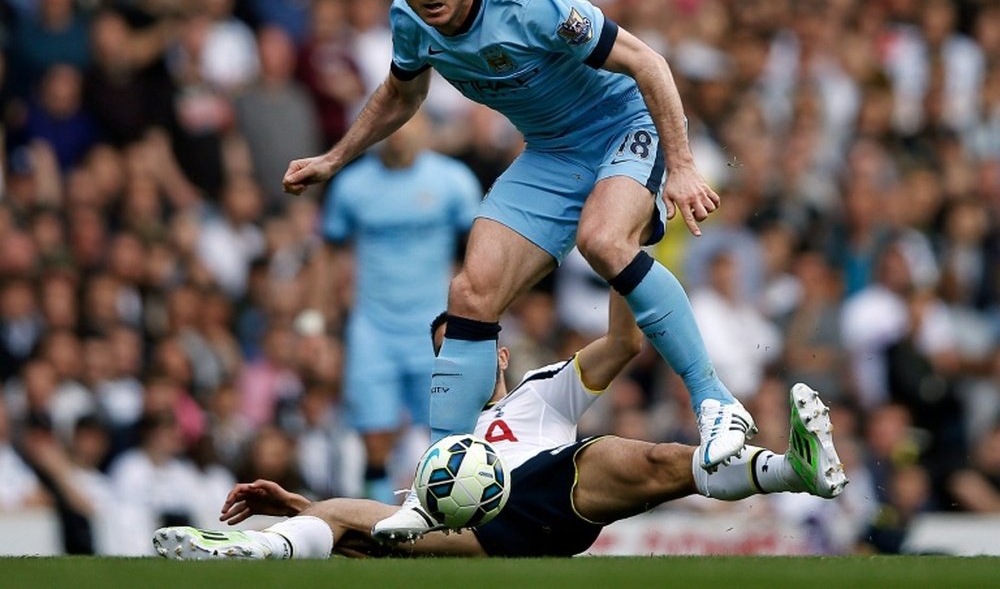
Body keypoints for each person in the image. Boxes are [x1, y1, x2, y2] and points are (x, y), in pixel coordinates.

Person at [281, 0, 752, 539]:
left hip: (622, 130)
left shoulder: (533, 2)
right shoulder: (409, 23)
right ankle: (436, 484)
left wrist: (683, 165)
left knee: (603, 241)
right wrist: (336, 158)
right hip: (552, 155)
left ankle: (717, 403)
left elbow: (648, 62)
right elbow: (402, 91)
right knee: (470, 293)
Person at [152, 297, 848, 560]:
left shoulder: (544, 392)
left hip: (552, 496)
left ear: (501, 355)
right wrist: (306, 512)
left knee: (638, 458)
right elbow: (392, 518)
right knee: (345, 523)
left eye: (468, 347)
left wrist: (619, 257)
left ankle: (796, 471)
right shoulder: (439, 443)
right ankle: (249, 553)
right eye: (446, 353)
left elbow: (623, 344)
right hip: (472, 533)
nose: (457, 361)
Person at [315, 109, 482, 503]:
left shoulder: (453, 181)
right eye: (390, 125)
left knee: (442, 434)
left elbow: (478, 250)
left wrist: (477, 315)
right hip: (372, 327)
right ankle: (376, 521)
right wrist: (314, 325)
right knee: (374, 437)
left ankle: (439, 518)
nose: (399, 134)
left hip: (435, 328)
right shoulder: (352, 186)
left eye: (408, 123)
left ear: (425, 127)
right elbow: (327, 255)